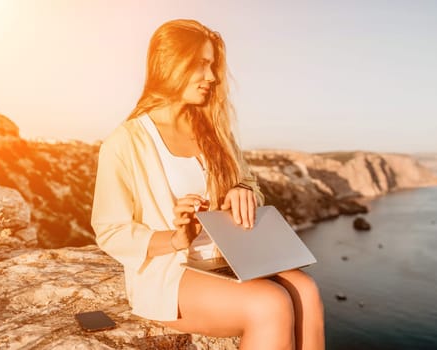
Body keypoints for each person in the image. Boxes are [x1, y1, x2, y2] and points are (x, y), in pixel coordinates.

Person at [91, 19, 324, 350]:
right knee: (270, 304)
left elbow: (251, 186)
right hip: (170, 274)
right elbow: (110, 231)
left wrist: (242, 190)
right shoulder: (125, 142)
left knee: (307, 292)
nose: (212, 77)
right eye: (201, 64)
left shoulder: (214, 131)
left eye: (213, 65)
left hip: (228, 260)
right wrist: (174, 238)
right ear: (169, 64)